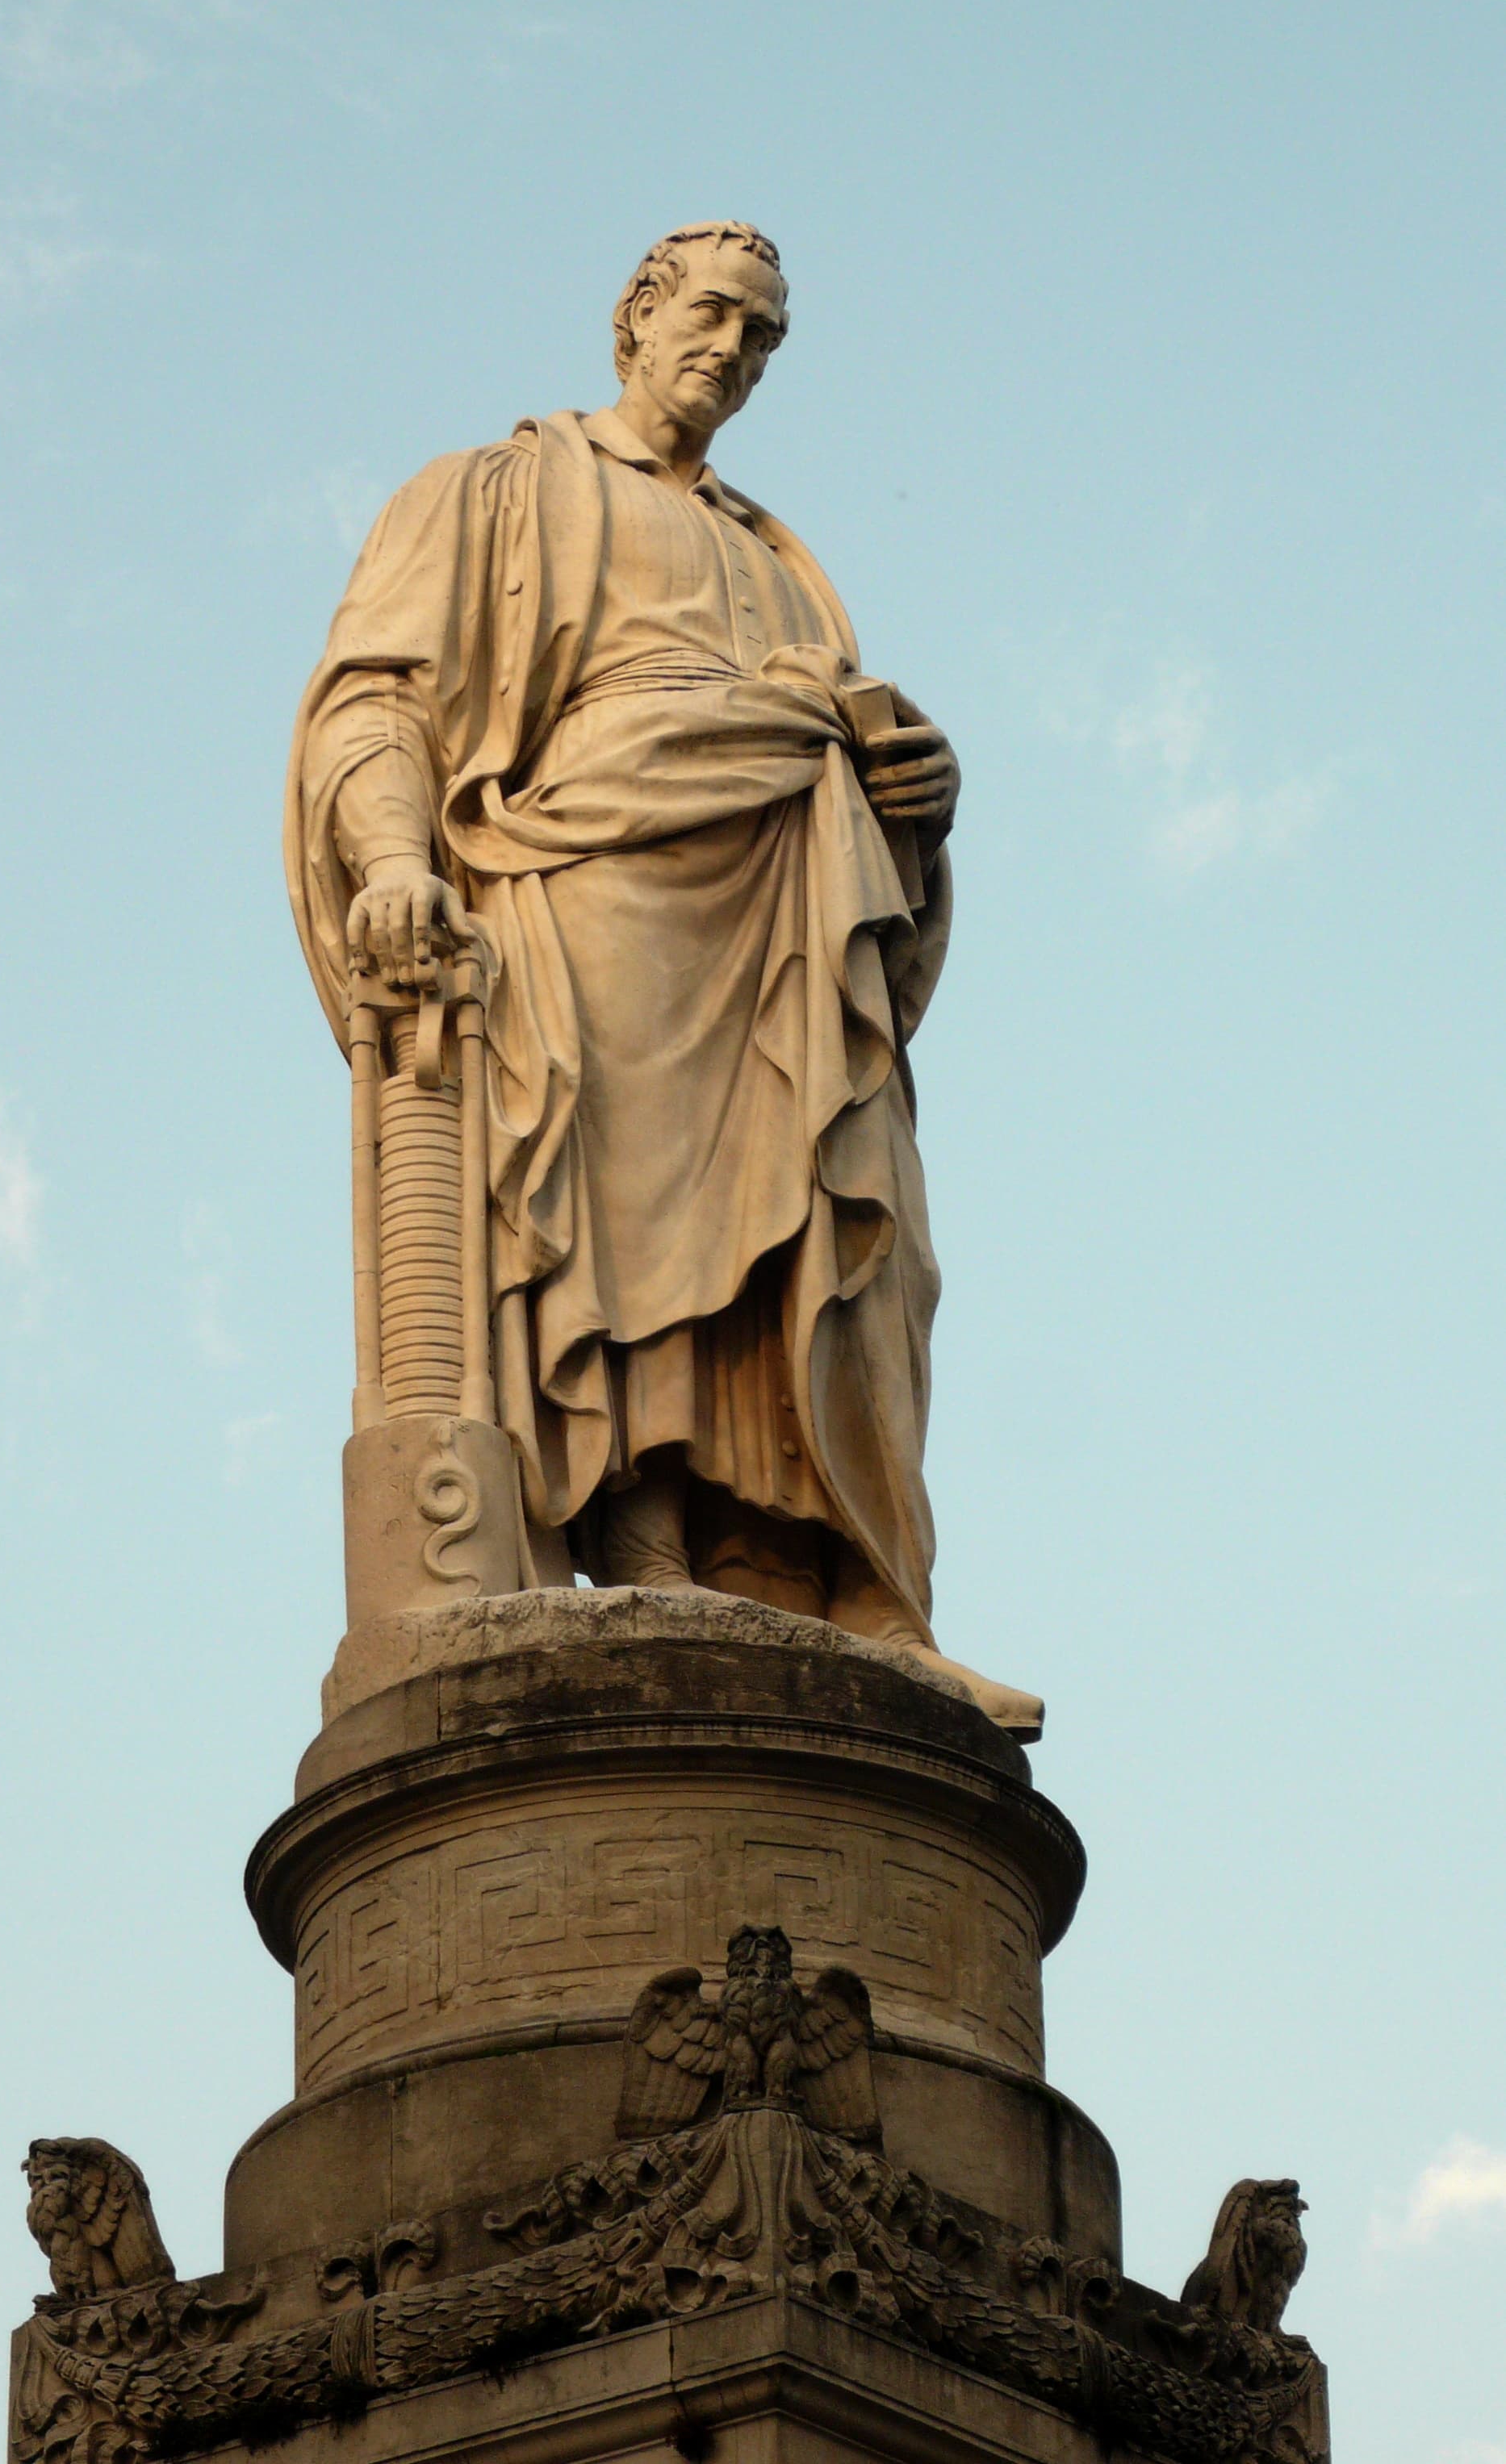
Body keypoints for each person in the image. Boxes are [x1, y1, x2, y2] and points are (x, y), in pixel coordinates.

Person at [287, 220, 1040, 1738]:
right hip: (600, 876)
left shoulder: (778, 558)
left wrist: (917, 798)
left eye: (766, 337)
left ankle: (840, 1580)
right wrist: (391, 860)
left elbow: (859, 748)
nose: (737, 352)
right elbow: (384, 695)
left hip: (795, 898)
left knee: (855, 1236)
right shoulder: (498, 490)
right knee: (624, 1226)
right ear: (635, 312)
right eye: (715, 313)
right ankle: (642, 1540)